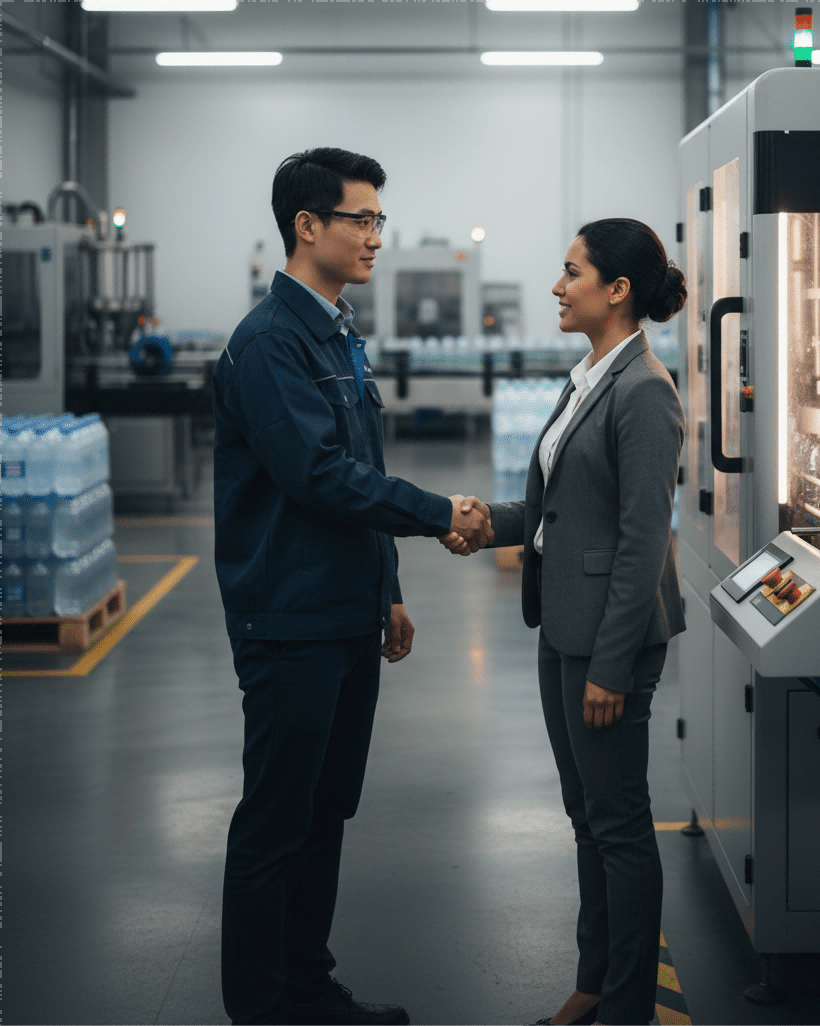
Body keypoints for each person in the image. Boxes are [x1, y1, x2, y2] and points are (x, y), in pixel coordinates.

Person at [213, 147, 493, 1026]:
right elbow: (319, 476)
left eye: (379, 219)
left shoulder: (334, 330)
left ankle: (306, 987)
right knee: (276, 823)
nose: (378, 236)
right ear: (308, 225)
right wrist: (440, 509)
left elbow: (359, 465)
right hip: (289, 616)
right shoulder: (268, 343)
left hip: (342, 607)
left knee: (326, 811)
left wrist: (389, 588)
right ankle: (264, 1009)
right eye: (361, 219)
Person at [442, 218, 687, 1026]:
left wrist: (613, 667)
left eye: (571, 271)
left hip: (607, 642)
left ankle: (627, 1005)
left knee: (618, 821)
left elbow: (644, 541)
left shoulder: (645, 391)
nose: (557, 285)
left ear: (616, 290)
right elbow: (564, 512)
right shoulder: (588, 376)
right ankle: (595, 979)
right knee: (588, 814)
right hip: (563, 630)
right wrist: (487, 523)